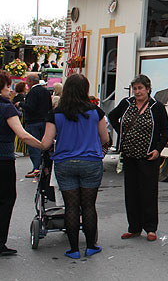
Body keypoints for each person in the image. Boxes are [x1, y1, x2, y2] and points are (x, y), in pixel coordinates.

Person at [22, 74, 109, 259]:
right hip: (91, 162)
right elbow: (105, 138)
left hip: (65, 163)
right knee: (88, 205)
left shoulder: (55, 114)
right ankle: (91, 246)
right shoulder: (96, 111)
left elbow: (46, 143)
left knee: (71, 206)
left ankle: (74, 249)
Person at [108, 74, 168, 242]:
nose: (137, 92)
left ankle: (150, 228)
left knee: (148, 193)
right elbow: (112, 116)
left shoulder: (156, 107)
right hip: (129, 155)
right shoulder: (126, 104)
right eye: (135, 88)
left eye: (140, 88)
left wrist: (158, 149)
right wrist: (121, 132)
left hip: (148, 157)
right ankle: (134, 227)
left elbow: (166, 131)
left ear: (148, 89)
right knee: (131, 193)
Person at [0, 70, 38, 256]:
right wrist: (42, 145)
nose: (10, 90)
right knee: (6, 200)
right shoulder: (6, 108)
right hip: (3, 160)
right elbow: (22, 134)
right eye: (8, 86)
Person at [17, 73, 51, 178]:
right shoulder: (46, 91)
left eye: (27, 81)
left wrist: (20, 104)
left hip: (33, 122)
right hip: (44, 121)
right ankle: (43, 168)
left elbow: (30, 107)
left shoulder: (33, 92)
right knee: (43, 146)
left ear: (31, 82)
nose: (26, 83)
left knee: (34, 146)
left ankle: (36, 169)